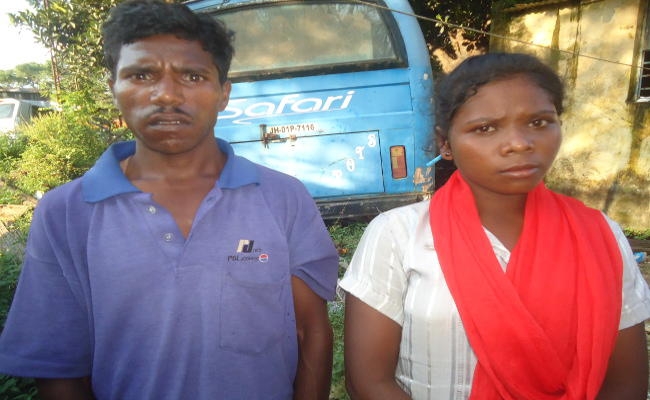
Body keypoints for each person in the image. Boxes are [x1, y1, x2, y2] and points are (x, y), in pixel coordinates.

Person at [0, 1, 339, 399]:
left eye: (193, 76)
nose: (166, 95)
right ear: (113, 89)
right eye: (141, 75)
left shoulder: (282, 197)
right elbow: (60, 367)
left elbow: (310, 331)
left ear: (223, 93)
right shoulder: (66, 213)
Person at [340, 52, 650, 400]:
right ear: (445, 143)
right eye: (485, 128)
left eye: (539, 122)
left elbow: (626, 384)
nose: (519, 143)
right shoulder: (398, 235)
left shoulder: (599, 236)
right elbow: (369, 382)